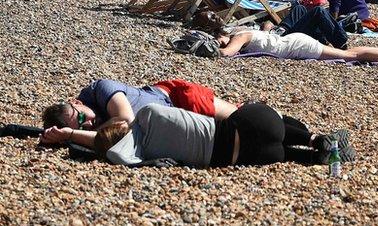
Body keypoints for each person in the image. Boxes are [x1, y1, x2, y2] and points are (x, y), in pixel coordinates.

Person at [94, 103, 332, 168]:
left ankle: (312, 158)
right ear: (123, 127)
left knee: (279, 152)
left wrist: (143, 164)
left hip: (255, 157)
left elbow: (115, 153)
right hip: (260, 123)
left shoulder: (142, 154)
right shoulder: (147, 114)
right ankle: (313, 139)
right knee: (252, 116)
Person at [38, 79, 239, 148]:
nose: (88, 125)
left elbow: (126, 120)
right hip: (171, 121)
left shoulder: (101, 88)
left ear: (76, 102)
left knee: (241, 118)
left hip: (176, 98)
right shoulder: (88, 122)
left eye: (82, 118)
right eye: (82, 128)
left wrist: (78, 135)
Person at [217, 28, 378, 65]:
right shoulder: (242, 31)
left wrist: (216, 49)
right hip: (294, 42)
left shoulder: (239, 36)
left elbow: (227, 54)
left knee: (352, 57)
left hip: (298, 47)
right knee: (346, 53)